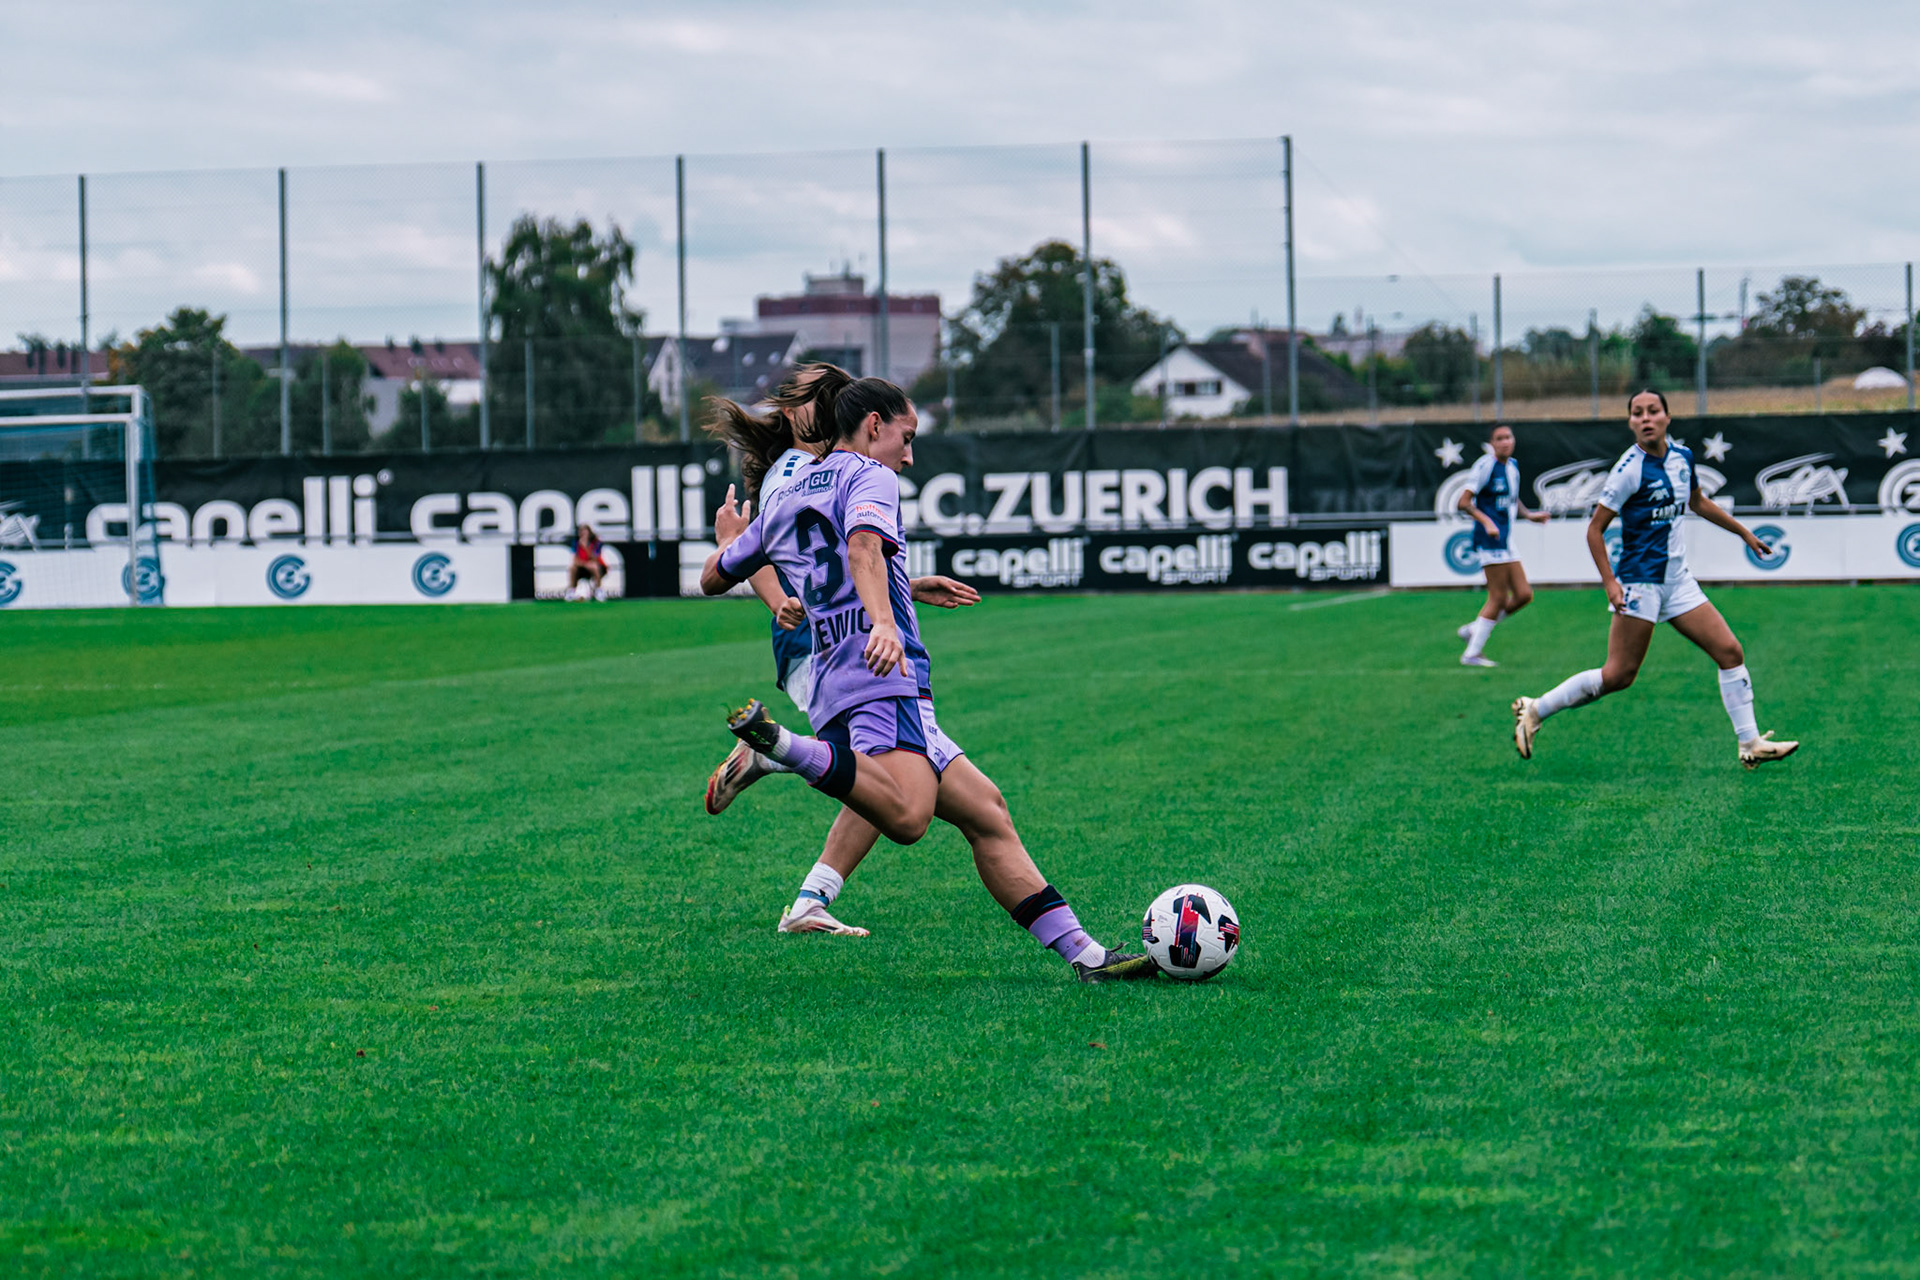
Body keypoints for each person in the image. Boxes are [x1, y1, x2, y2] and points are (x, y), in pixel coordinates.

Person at [700, 377, 1155, 981]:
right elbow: (861, 550)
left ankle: (1089, 958)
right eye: (905, 438)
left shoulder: (788, 491)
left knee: (987, 811)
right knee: (909, 818)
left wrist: (732, 543)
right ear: (872, 428)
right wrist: (886, 624)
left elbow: (714, 578)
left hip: (837, 676)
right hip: (884, 677)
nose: (909, 456)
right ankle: (780, 747)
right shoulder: (868, 474)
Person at [700, 366, 979, 938]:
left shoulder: (808, 471)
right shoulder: (803, 471)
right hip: (830, 639)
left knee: (891, 776)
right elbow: (793, 554)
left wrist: (908, 587)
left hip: (840, 631)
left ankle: (809, 896)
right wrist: (781, 598)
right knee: (891, 779)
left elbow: (828, 552)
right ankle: (777, 754)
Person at [1513, 389, 1799, 769]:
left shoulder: (1682, 458)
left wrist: (1743, 533)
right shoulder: (1629, 469)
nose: (1645, 418)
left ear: (1667, 417)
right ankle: (1536, 709)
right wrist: (1611, 583)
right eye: (1637, 413)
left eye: (1653, 411)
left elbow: (1698, 502)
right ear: (1630, 422)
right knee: (1618, 675)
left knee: (1730, 652)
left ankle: (1749, 743)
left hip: (1678, 581)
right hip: (1640, 583)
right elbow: (1595, 530)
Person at [1454, 424, 1549, 667]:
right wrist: (1486, 522)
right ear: (1492, 444)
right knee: (1497, 597)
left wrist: (1529, 515)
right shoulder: (1485, 466)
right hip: (1489, 539)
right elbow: (1463, 502)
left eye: (1508, 437)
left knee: (1524, 595)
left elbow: (1511, 498)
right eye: (1499, 439)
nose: (1505, 442)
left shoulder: (1513, 466)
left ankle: (1475, 629)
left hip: (1505, 539)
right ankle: (1472, 654)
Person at [567, 523, 608, 601]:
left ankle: (598, 590)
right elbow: (575, 559)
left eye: (584, 531)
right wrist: (584, 564)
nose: (582, 533)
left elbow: (595, 558)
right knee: (572, 568)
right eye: (581, 531)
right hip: (582, 566)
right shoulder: (576, 543)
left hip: (597, 567)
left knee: (593, 566)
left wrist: (585, 546)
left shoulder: (596, 542)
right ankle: (572, 591)